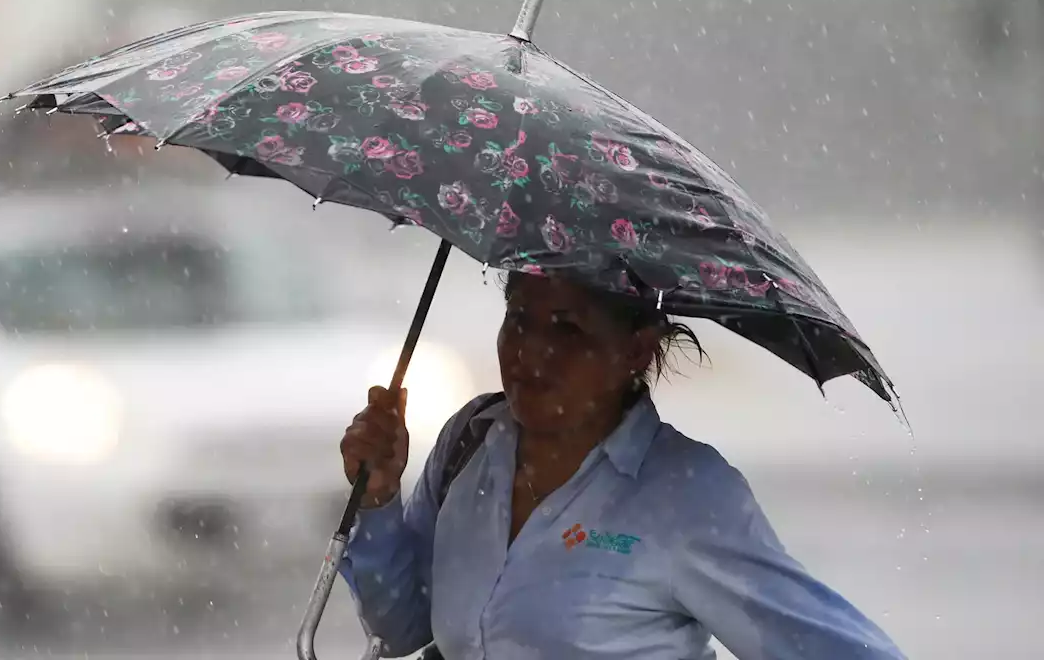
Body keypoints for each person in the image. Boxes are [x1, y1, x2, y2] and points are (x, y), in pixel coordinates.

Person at [337, 270, 905, 660]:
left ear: (636, 350)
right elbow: (400, 626)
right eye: (518, 318)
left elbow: (830, 645)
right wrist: (378, 495)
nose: (528, 351)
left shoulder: (685, 495)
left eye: (567, 328)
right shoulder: (469, 443)